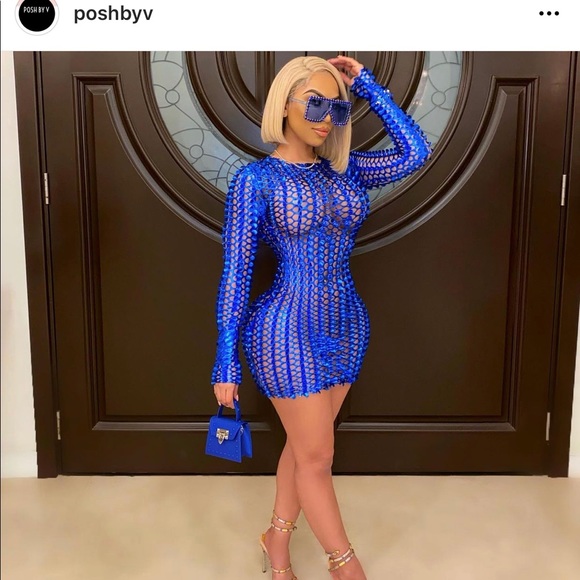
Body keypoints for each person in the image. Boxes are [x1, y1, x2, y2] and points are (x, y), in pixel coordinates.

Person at [211, 55, 432, 579]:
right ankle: (345, 566)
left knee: (303, 447)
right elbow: (236, 273)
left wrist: (367, 86)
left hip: (346, 324)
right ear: (284, 104)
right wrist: (225, 358)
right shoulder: (256, 181)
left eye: (337, 107)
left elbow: (415, 152)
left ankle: (276, 541)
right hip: (284, 330)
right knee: (317, 457)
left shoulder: (346, 169)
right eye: (314, 103)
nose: (326, 117)